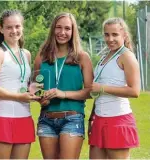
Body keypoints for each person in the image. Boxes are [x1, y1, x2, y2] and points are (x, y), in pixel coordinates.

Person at [34, 12, 93, 159]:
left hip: (72, 118)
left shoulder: (82, 57)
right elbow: (35, 87)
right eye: (58, 28)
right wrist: (40, 98)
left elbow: (90, 91)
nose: (62, 32)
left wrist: (63, 93)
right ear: (53, 29)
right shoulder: (42, 55)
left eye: (67, 28)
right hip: (46, 119)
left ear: (73, 32)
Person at [0, 10, 40, 159]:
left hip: (24, 117)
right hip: (2, 117)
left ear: (22, 27)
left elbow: (21, 81)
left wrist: (32, 89)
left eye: (17, 26)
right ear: (1, 29)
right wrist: (19, 97)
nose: (14, 31)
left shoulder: (26, 54)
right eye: (9, 27)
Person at [88, 17, 140, 159]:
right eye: (106, 34)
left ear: (124, 35)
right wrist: (91, 118)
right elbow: (97, 91)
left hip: (118, 120)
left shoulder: (127, 56)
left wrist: (103, 88)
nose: (110, 39)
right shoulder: (104, 57)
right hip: (99, 120)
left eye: (115, 34)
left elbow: (135, 91)